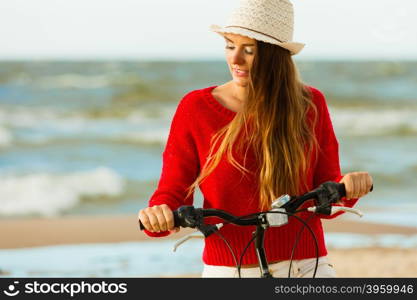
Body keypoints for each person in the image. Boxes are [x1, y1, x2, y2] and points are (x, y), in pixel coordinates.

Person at [138, 0, 373, 278]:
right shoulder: (195, 108)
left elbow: (327, 195)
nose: (235, 59)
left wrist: (349, 187)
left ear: (274, 56)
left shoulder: (310, 104)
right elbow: (173, 192)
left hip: (307, 266)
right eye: (229, 45)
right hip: (228, 269)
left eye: (249, 50)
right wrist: (158, 215)